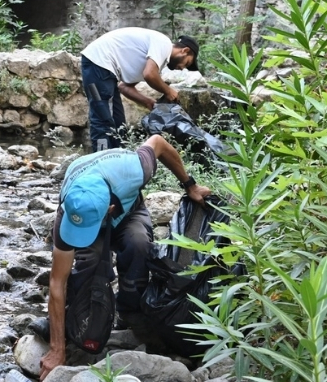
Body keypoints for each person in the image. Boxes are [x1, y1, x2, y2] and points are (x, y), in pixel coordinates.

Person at [38, 134, 211, 380]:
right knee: (90, 260)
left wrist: (190, 185)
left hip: (129, 212)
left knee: (139, 245)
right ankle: (73, 317)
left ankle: (130, 313)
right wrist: (57, 349)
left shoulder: (134, 169)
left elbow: (159, 142)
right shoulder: (70, 210)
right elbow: (57, 282)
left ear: (109, 209)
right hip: (91, 210)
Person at [80, 28, 200, 151]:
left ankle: (117, 160)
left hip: (108, 72)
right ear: (185, 51)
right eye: (186, 63)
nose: (181, 69)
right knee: (102, 118)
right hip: (97, 64)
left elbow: (124, 87)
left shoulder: (155, 60)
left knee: (119, 122)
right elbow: (150, 75)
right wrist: (168, 91)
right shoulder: (164, 43)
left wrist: (148, 101)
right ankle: (101, 159)